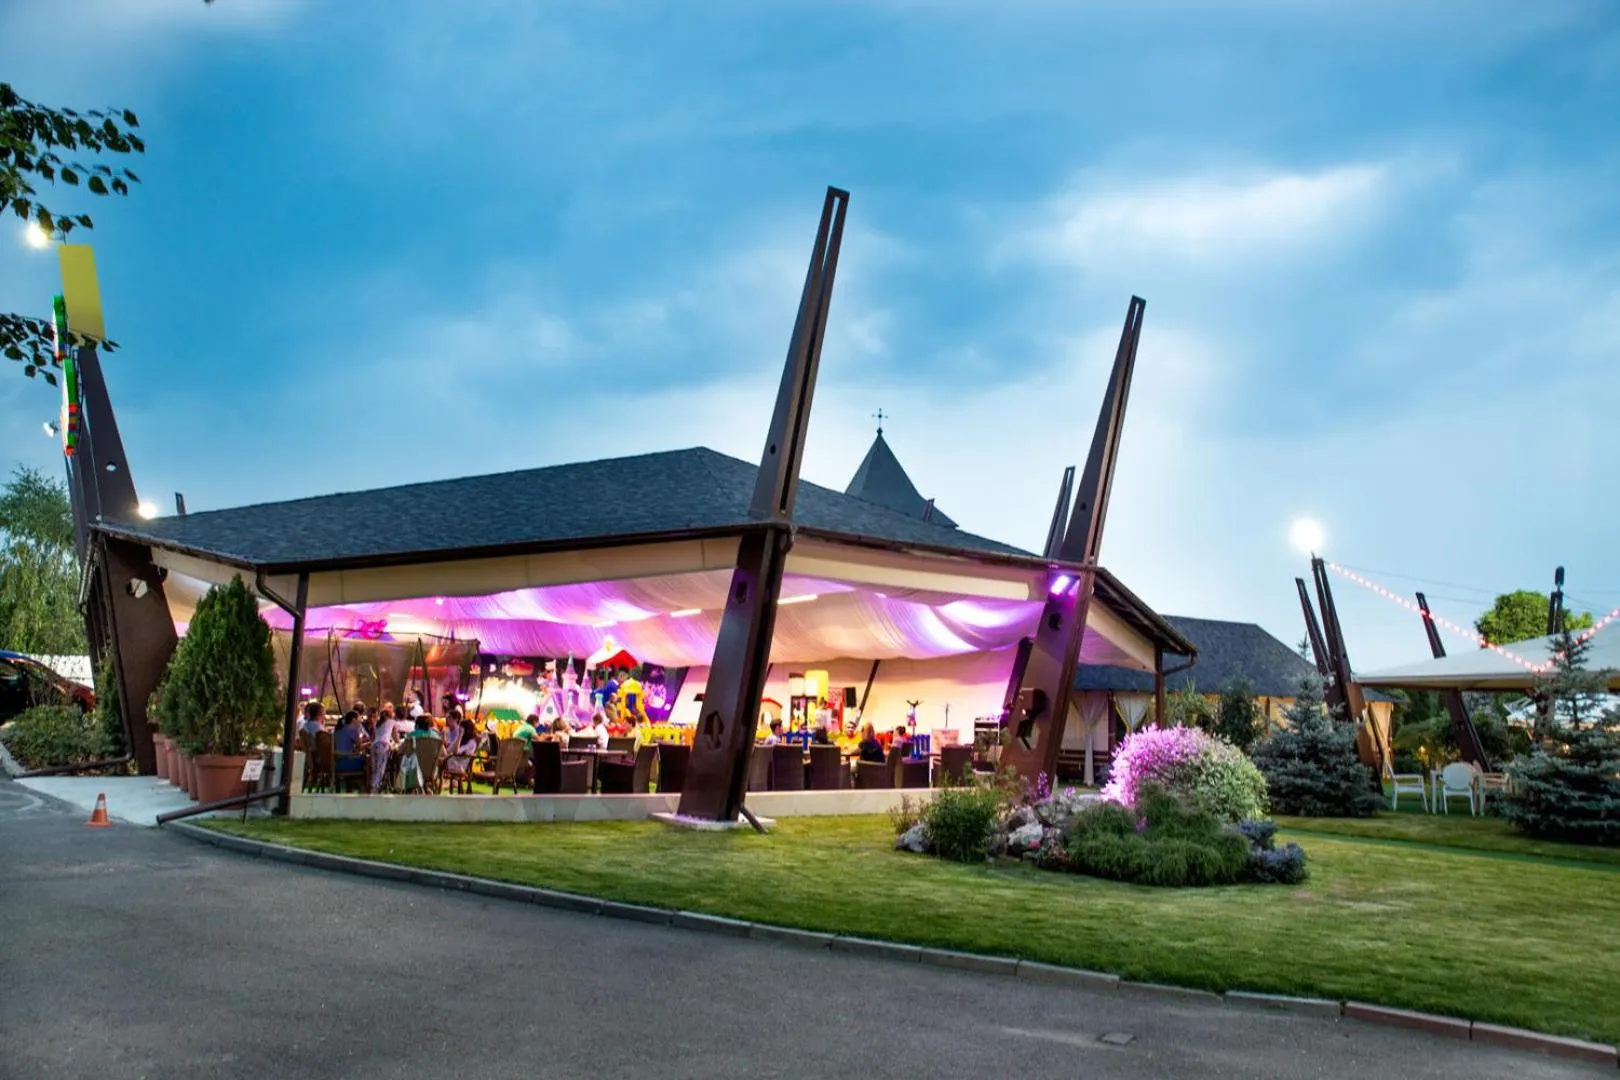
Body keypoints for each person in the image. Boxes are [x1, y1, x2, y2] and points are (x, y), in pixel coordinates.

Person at [443, 718, 478, 787]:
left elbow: (456, 752)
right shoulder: (461, 739)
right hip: (454, 761)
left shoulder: (472, 742)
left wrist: (460, 736)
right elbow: (448, 751)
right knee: (443, 758)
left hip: (461, 766)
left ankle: (450, 782)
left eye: (460, 728)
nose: (458, 729)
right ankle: (450, 782)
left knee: (445, 760)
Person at [333, 711, 368, 777]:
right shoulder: (353, 730)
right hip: (347, 762)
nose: (361, 720)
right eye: (359, 718)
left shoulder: (339, 729)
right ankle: (368, 785)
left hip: (337, 764)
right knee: (368, 760)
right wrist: (370, 743)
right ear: (354, 719)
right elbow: (359, 747)